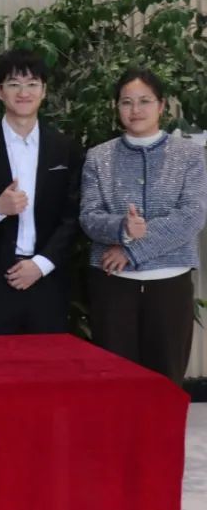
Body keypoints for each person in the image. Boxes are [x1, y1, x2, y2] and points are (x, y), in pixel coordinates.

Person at [80, 68, 207, 383]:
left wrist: (131, 249)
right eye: (126, 102)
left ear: (161, 106)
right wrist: (122, 228)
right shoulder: (98, 157)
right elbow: (89, 216)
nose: (135, 110)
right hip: (113, 285)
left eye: (144, 101)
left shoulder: (190, 156)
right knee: (115, 382)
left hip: (169, 284)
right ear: (117, 107)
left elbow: (192, 215)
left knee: (166, 381)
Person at [0, 49, 83, 335]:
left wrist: (41, 264)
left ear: (44, 91)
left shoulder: (65, 147)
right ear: (0, 92)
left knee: (47, 361)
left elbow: (73, 216)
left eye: (32, 84)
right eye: (14, 84)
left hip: (48, 279)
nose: (23, 92)